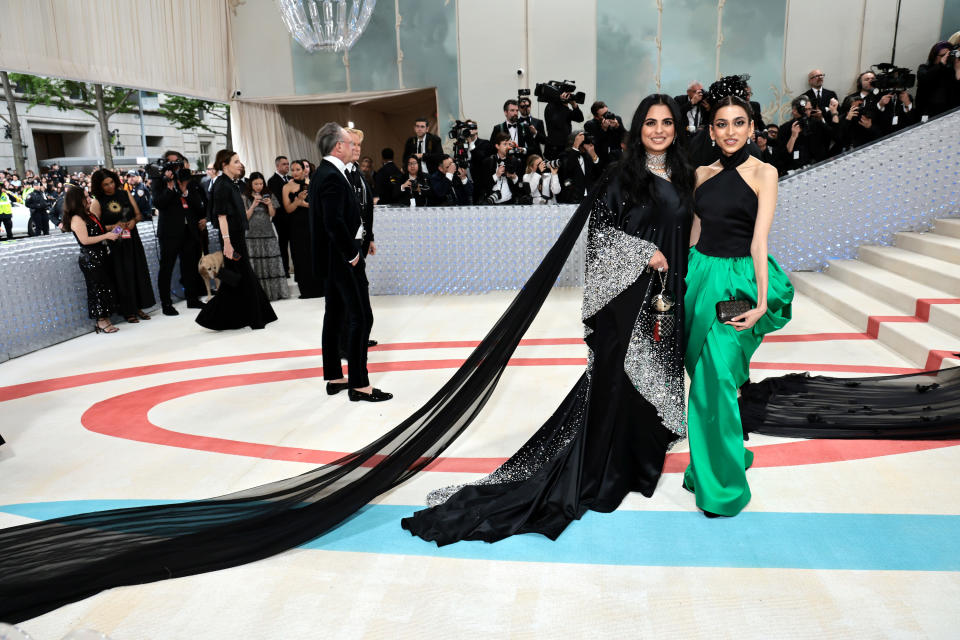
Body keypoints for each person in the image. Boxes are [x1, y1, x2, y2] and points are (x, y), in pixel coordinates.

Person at [402, 93, 695, 544]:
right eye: (650, 122)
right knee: (616, 381)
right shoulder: (622, 175)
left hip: (665, 299)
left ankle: (636, 465)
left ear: (677, 128)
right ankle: (604, 471)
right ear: (638, 128)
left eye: (667, 122)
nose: (659, 130)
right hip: (626, 298)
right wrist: (644, 252)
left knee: (647, 385)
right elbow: (599, 237)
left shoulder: (684, 174)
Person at [683, 85, 794, 518]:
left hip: (737, 282)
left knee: (717, 382)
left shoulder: (765, 172)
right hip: (699, 278)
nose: (731, 131)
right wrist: (679, 283)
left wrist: (764, 301)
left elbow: (760, 240)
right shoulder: (701, 175)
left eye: (739, 123)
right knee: (706, 381)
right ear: (711, 130)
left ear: (751, 127)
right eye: (722, 124)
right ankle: (711, 462)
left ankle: (723, 487)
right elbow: (694, 234)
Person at [312, 122, 392, 402]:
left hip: (334, 259)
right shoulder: (331, 175)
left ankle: (335, 377)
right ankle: (360, 384)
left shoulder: (329, 172)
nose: (354, 146)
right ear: (338, 146)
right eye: (349, 142)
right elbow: (332, 223)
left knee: (334, 316)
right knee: (361, 316)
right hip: (341, 259)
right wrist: (353, 255)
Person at [196, 150, 278, 331]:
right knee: (240, 277)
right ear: (225, 165)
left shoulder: (231, 184)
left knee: (237, 279)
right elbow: (222, 217)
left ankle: (253, 315)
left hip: (237, 237)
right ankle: (220, 317)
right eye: (236, 162)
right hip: (231, 239)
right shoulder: (222, 185)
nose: (240, 164)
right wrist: (227, 243)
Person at [89, 169, 155, 323]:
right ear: (99, 186)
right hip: (114, 244)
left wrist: (133, 222)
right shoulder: (97, 201)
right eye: (106, 184)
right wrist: (115, 227)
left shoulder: (124, 194)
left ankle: (138, 307)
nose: (110, 186)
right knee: (121, 276)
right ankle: (127, 310)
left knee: (137, 272)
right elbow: (95, 228)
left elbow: (138, 214)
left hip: (132, 239)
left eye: (111, 182)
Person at [63, 184, 122, 333]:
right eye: (85, 197)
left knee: (105, 287)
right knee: (97, 289)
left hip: (101, 255)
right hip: (91, 258)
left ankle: (105, 318)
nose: (89, 199)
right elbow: (85, 240)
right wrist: (108, 235)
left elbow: (99, 230)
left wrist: (116, 228)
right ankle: (101, 321)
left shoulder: (89, 215)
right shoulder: (76, 218)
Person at [154, 167, 207, 315]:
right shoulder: (160, 182)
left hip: (189, 231)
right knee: (167, 268)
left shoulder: (188, 185)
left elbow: (198, 205)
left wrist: (185, 192)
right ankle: (166, 303)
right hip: (169, 233)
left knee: (190, 266)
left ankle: (192, 298)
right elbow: (158, 203)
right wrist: (170, 188)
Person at [241, 172, 289, 302]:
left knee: (272, 262)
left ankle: (274, 293)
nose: (258, 186)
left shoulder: (269, 194)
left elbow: (272, 214)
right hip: (251, 234)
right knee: (255, 264)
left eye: (261, 183)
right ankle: (259, 295)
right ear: (250, 184)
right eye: (256, 184)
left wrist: (269, 204)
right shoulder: (245, 197)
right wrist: (253, 205)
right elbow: (245, 217)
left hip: (268, 232)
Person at [282, 159, 323, 298]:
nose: (294, 172)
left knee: (314, 254)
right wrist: (298, 201)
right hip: (296, 226)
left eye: (297, 169)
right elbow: (288, 209)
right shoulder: (287, 187)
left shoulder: (312, 184)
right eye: (292, 170)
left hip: (312, 224)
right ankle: (305, 290)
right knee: (300, 256)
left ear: (304, 170)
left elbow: (319, 205)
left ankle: (319, 288)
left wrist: (304, 204)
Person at [345, 129, 376, 258]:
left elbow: (366, 208)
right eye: (353, 144)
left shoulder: (359, 172)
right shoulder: (336, 174)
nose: (357, 149)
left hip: (361, 239)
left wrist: (370, 238)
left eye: (359, 145)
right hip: (346, 242)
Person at [916, 42, 960, 118]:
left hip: (949, 113)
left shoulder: (951, 71)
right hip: (929, 114)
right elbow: (925, 80)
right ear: (934, 56)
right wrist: (941, 64)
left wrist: (957, 70)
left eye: (948, 55)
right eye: (943, 55)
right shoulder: (924, 68)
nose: (946, 57)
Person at [556, 130, 600, 204]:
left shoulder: (587, 156)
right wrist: (576, 146)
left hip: (589, 197)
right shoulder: (564, 156)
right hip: (572, 199)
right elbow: (568, 169)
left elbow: (598, 174)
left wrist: (593, 155)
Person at [479, 132, 525, 204]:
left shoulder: (515, 161)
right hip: (491, 202)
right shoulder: (488, 161)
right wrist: (496, 175)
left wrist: (514, 177)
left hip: (510, 202)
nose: (507, 147)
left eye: (509, 144)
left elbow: (521, 186)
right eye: (505, 144)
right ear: (497, 146)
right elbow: (483, 185)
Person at [267, 155, 292, 277]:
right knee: (283, 244)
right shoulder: (272, 181)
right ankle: (285, 270)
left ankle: (297, 268)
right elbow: (277, 200)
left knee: (295, 244)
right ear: (277, 166)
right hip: (281, 218)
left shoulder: (291, 179)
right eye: (284, 164)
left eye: (288, 164)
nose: (287, 166)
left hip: (293, 217)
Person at [583, 100, 625, 169]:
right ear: (596, 117)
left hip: (617, 159)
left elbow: (625, 137)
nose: (607, 116)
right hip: (601, 161)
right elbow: (595, 144)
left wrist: (617, 126)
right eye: (603, 115)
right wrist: (604, 129)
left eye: (607, 112)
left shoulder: (617, 119)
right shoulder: (590, 125)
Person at [543, 91, 584, 159]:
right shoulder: (550, 106)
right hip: (553, 149)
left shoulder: (566, 110)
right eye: (566, 94)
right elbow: (557, 123)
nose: (568, 96)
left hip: (565, 147)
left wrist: (574, 105)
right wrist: (561, 101)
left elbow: (580, 118)